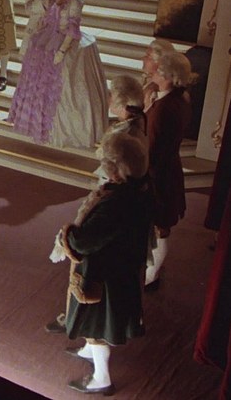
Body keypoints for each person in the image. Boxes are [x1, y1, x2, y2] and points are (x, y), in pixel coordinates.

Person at [57, 132, 153, 395]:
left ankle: (102, 378)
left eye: (106, 164)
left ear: (116, 169)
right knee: (96, 322)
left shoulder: (116, 203)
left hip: (105, 275)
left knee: (96, 324)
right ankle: (90, 350)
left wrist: (68, 234)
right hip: (121, 269)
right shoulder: (139, 190)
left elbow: (83, 242)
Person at [7, 0, 108, 148]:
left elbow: (72, 29)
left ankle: (59, 130)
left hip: (64, 41)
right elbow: (49, 16)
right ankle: (35, 123)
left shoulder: (76, 1)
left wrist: (61, 51)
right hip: (48, 36)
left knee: (59, 85)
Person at [144, 51, 195, 290]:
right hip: (166, 170)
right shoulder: (178, 98)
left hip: (158, 174)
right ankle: (151, 273)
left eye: (157, 68)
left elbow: (152, 145)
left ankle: (150, 276)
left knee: (159, 227)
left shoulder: (166, 107)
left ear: (166, 74)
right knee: (159, 226)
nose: (152, 70)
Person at [140, 38, 176, 110]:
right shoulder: (149, 82)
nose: (143, 58)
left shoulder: (162, 89)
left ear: (160, 62)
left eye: (148, 56)